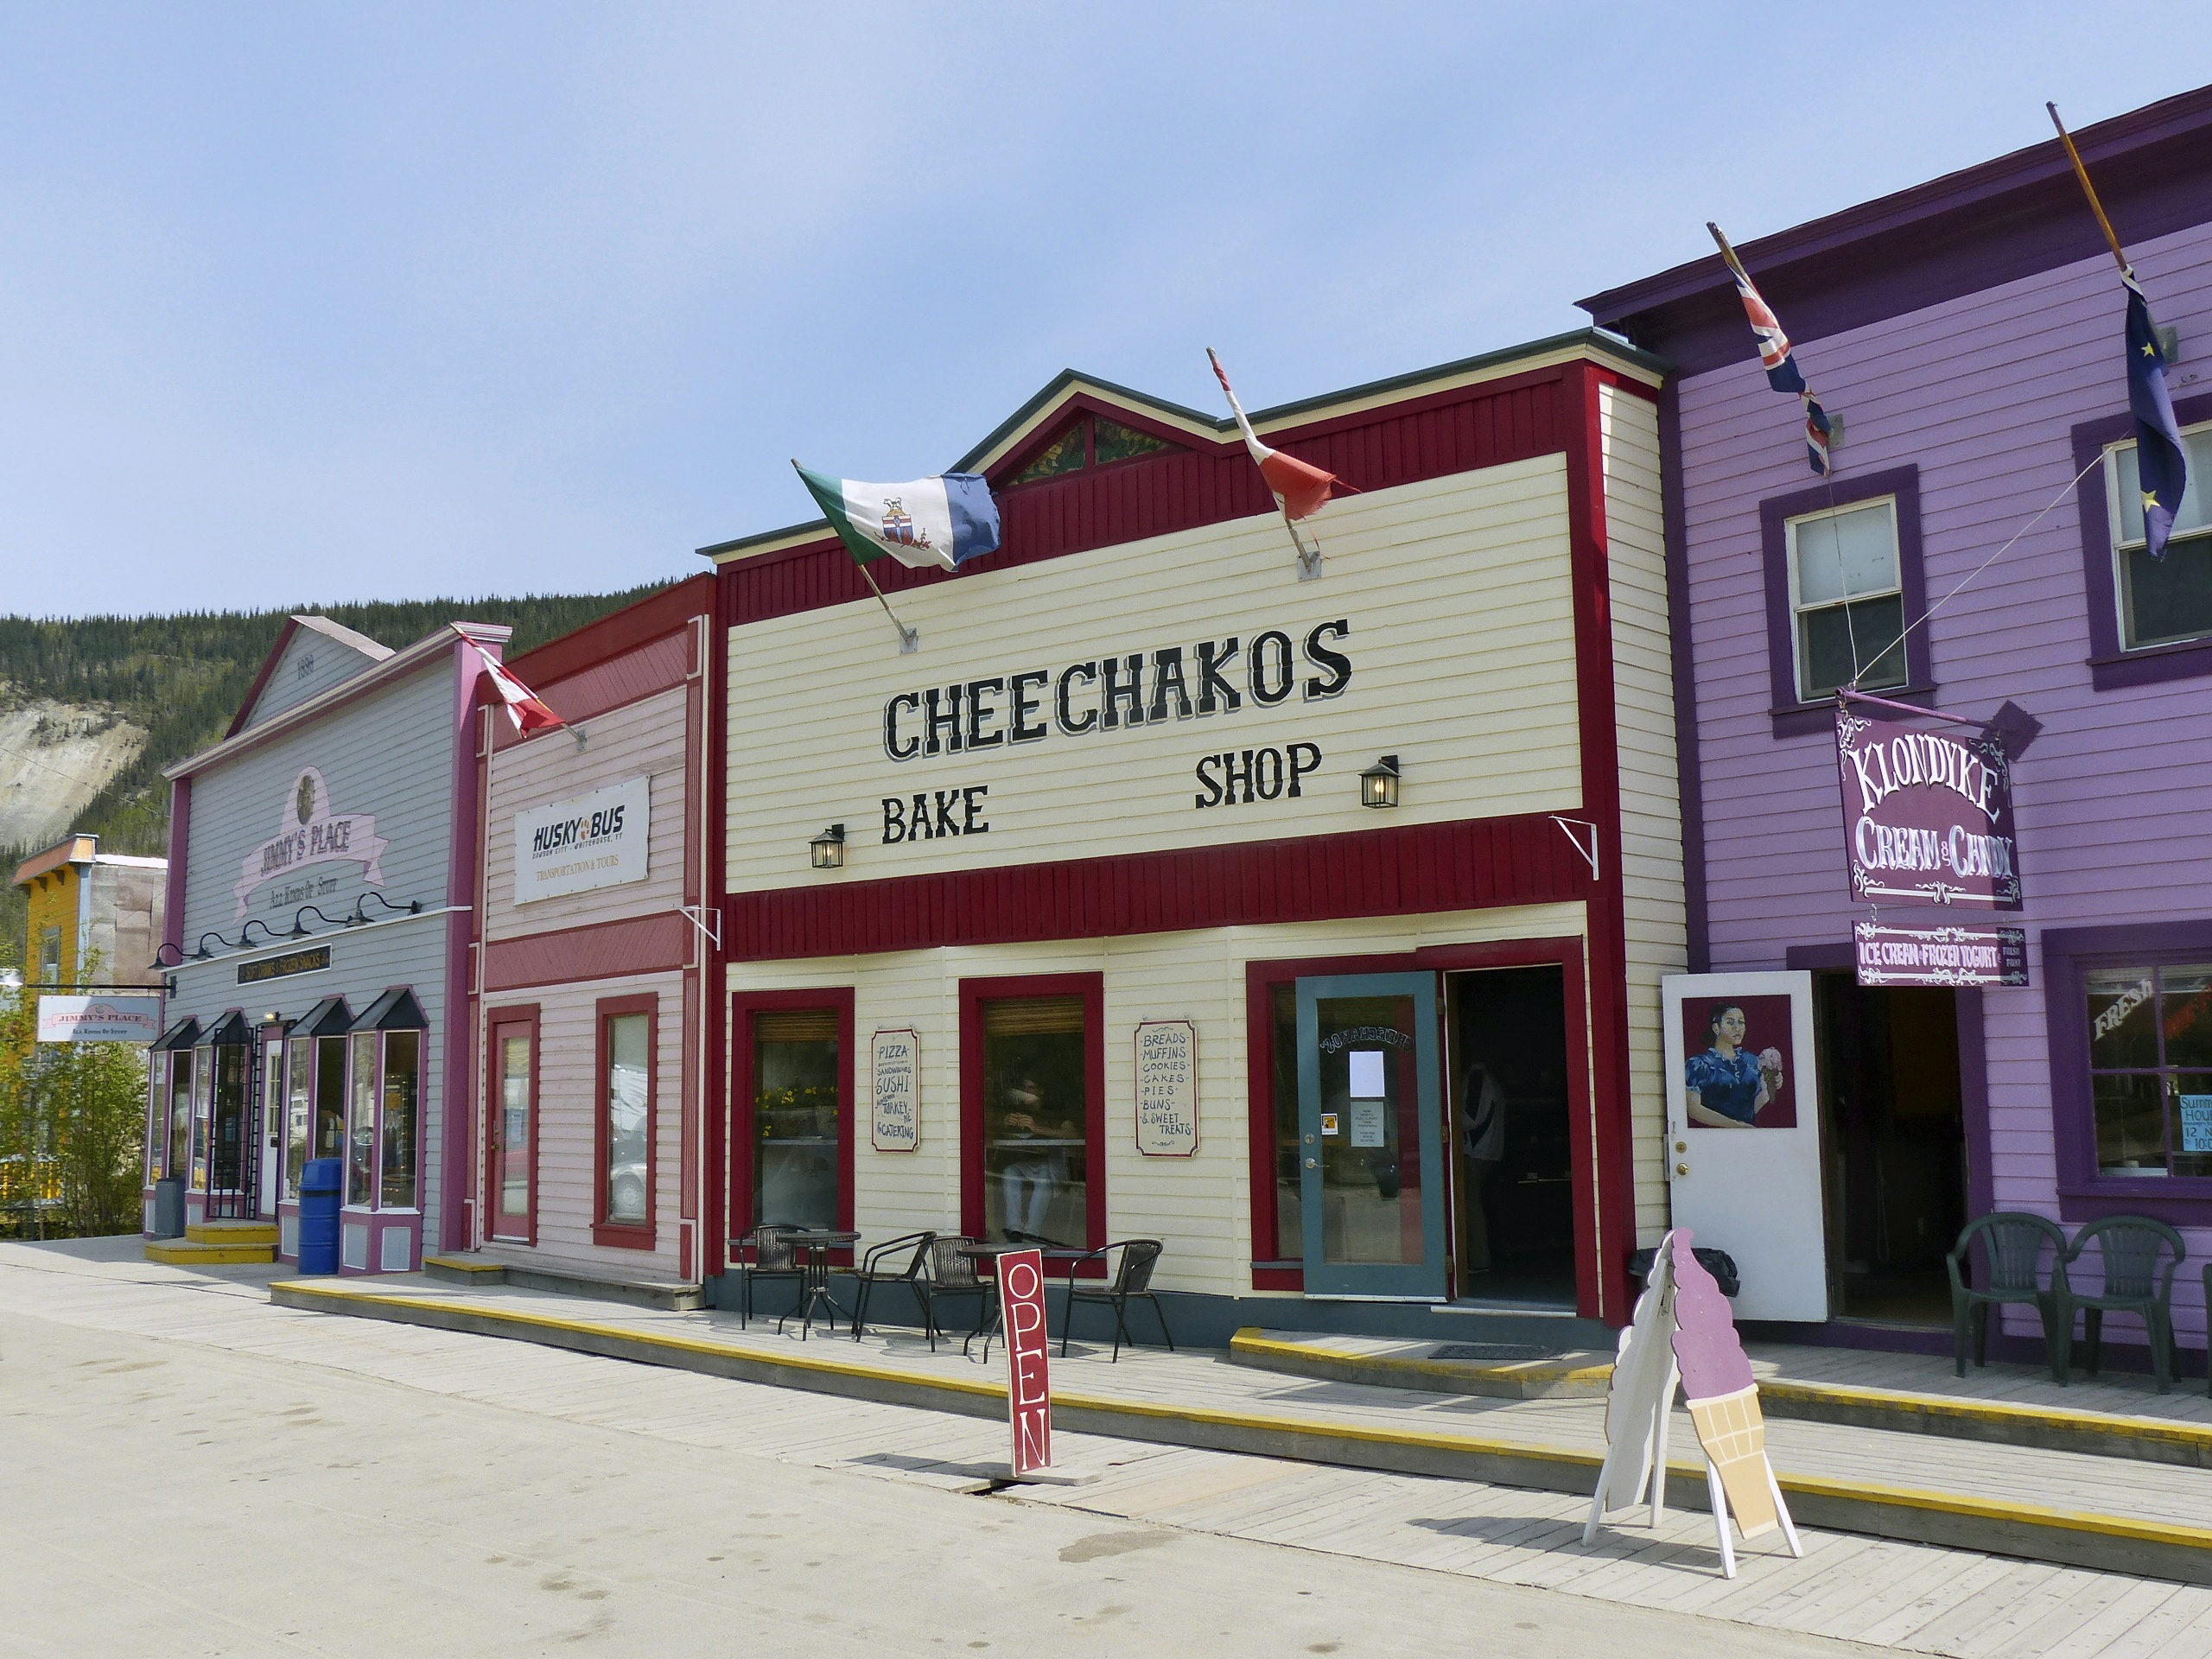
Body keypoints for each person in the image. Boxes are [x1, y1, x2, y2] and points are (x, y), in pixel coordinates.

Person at [997, 1077, 1074, 1239]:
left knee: (1044, 1176)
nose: (1027, 1092)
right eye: (1024, 1088)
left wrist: (1037, 1128)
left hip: (1051, 1166)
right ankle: (1014, 1229)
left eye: (1031, 1088)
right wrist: (1004, 1123)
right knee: (1009, 1171)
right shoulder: (1017, 1110)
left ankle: (1032, 1232)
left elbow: (1072, 1134)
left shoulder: (1054, 1110)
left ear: (1041, 1091)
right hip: (1024, 1164)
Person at [1685, 1002, 1784, 1128]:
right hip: (1711, 1137)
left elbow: (1750, 1109)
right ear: (1716, 1028)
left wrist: (1770, 1087)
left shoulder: (1751, 1061)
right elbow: (1694, 1110)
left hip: (1749, 1135)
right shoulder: (1700, 1064)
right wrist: (1735, 1125)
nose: (1737, 1028)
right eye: (1730, 1023)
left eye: (1741, 1022)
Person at [1459, 1055, 1506, 1272]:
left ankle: (1479, 1261)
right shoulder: (1490, 1079)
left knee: (1472, 1204)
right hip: (1489, 1150)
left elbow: (1470, 1117)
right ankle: (1486, 1256)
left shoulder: (1477, 1079)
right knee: (1479, 1202)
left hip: (1476, 1151)